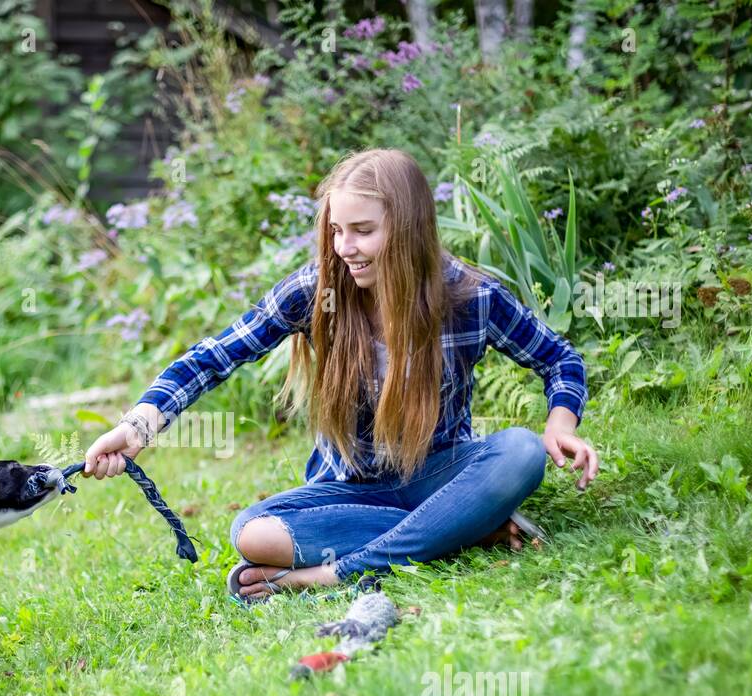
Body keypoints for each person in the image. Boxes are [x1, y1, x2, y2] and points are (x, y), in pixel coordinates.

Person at [83, 148, 598, 603]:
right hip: (346, 491)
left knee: (523, 451)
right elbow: (212, 357)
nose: (343, 247)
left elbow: (560, 359)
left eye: (362, 231)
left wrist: (561, 425)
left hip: (439, 475)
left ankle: (331, 574)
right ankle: (466, 528)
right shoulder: (317, 292)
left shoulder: (469, 296)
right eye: (336, 230)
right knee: (252, 533)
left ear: (409, 227)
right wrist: (137, 428)